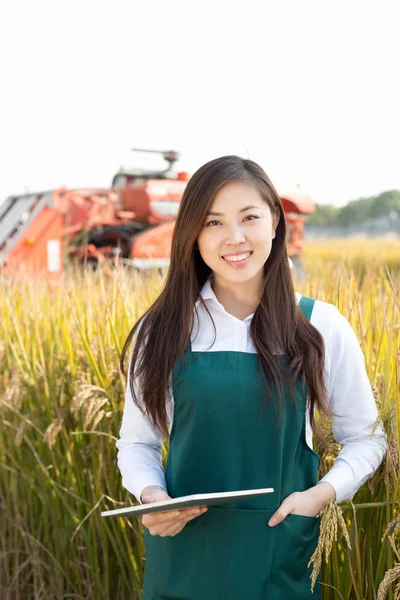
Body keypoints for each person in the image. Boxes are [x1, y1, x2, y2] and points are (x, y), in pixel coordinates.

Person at [116, 156, 386, 600]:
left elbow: (366, 438)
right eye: (214, 222)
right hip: (186, 559)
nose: (235, 238)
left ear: (275, 222)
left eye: (249, 218)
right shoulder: (163, 329)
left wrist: (321, 496)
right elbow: (137, 443)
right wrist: (152, 497)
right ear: (192, 235)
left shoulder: (319, 326)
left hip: (278, 555)